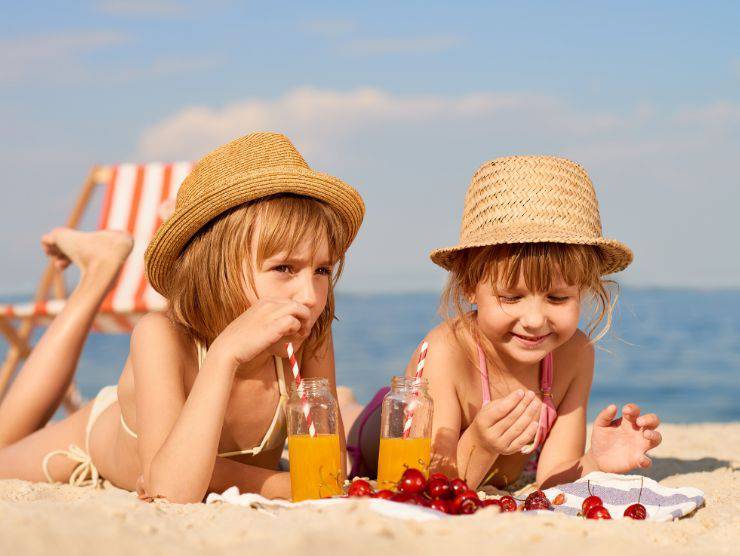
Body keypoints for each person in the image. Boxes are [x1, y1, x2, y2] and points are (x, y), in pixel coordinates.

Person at [0, 132, 365, 503]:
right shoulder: (162, 336)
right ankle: (97, 273)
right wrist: (224, 356)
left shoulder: (310, 333)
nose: (309, 296)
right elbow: (170, 489)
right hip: (99, 437)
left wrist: (221, 474)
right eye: (284, 268)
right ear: (216, 266)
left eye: (322, 270)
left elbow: (326, 475)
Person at [347, 155, 662, 490]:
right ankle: (346, 401)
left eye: (557, 299)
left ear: (582, 291)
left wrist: (596, 461)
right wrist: (481, 444)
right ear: (469, 286)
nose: (535, 320)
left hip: (495, 470)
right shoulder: (447, 352)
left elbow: (554, 477)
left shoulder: (575, 353)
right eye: (511, 298)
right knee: (347, 416)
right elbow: (430, 484)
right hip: (379, 438)